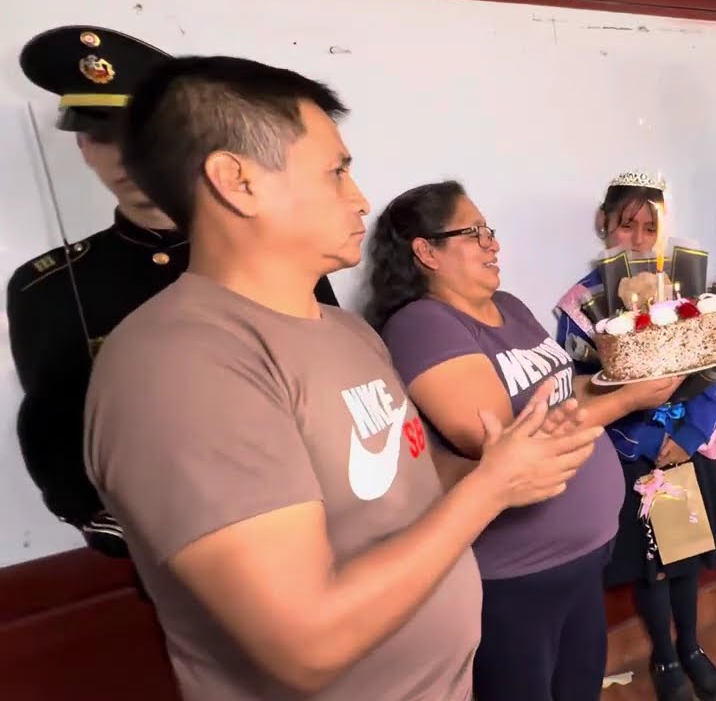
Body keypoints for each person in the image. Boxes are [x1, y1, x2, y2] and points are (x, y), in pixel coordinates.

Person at [84, 54, 604, 701]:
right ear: (237, 182)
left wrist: (504, 464)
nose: (359, 199)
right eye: (336, 172)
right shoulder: (179, 366)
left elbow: (412, 475)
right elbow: (308, 644)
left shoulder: (347, 332)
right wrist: (492, 489)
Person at [8, 26, 338, 560]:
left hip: (315, 512)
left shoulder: (278, 248)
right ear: (82, 147)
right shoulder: (46, 286)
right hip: (171, 544)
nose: (125, 156)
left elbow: (331, 380)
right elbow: (56, 428)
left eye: (143, 136)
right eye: (103, 137)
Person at [364, 180, 683, 701]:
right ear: (426, 252)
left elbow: (565, 390)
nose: (493, 243)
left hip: (584, 556)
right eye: (473, 233)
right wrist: (626, 402)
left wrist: (623, 379)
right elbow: (505, 443)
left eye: (489, 230)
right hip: (518, 573)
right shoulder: (421, 326)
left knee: (579, 688)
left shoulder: (509, 306)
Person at [553, 170, 716, 701]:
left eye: (649, 227)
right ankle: (665, 656)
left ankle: (693, 648)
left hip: (684, 446)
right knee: (651, 565)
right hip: (629, 453)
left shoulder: (683, 291)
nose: (637, 238)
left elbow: (710, 366)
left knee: (683, 556)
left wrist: (691, 431)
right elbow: (582, 385)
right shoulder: (582, 304)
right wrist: (645, 443)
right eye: (625, 224)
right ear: (603, 223)